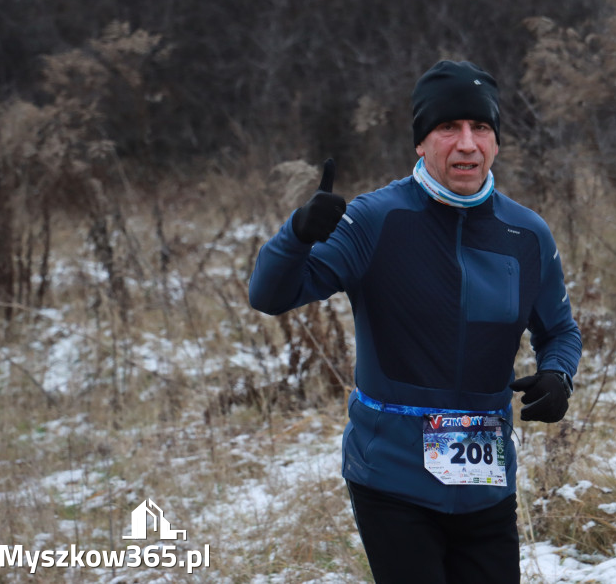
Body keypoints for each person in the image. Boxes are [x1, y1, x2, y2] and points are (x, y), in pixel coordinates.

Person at [248, 60, 582, 583]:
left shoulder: (526, 233)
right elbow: (270, 295)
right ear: (421, 143)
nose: (467, 143)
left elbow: (559, 330)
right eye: (448, 128)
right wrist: (297, 234)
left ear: (496, 142)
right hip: (392, 478)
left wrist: (559, 374)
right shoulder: (377, 219)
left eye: (481, 129)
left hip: (485, 480)